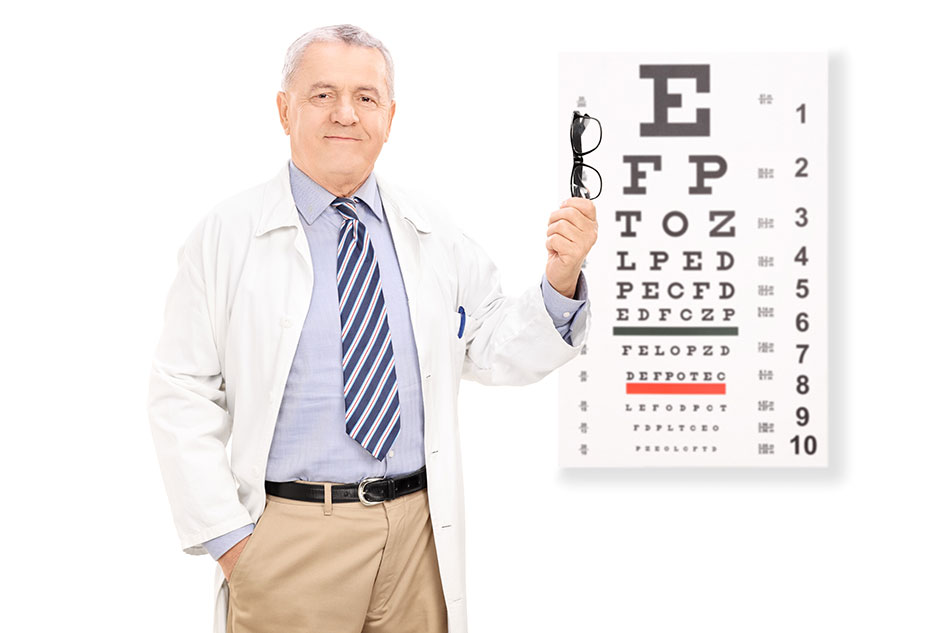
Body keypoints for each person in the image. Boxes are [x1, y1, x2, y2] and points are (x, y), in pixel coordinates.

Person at [147, 23, 596, 633]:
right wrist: (233, 544)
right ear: (285, 110)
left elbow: (490, 345)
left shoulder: (429, 228)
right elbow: (182, 392)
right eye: (322, 94)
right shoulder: (227, 235)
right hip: (292, 538)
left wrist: (561, 278)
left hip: (416, 535)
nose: (345, 114)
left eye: (365, 97)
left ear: (390, 115)